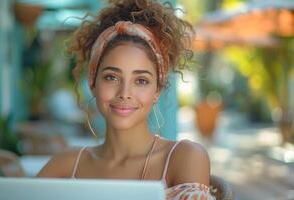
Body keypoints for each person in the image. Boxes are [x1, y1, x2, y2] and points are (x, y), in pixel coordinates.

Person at [37, 0, 214, 199]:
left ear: (157, 90)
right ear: (93, 83)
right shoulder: (67, 163)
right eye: (112, 77)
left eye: (141, 80)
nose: (125, 93)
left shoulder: (184, 157)